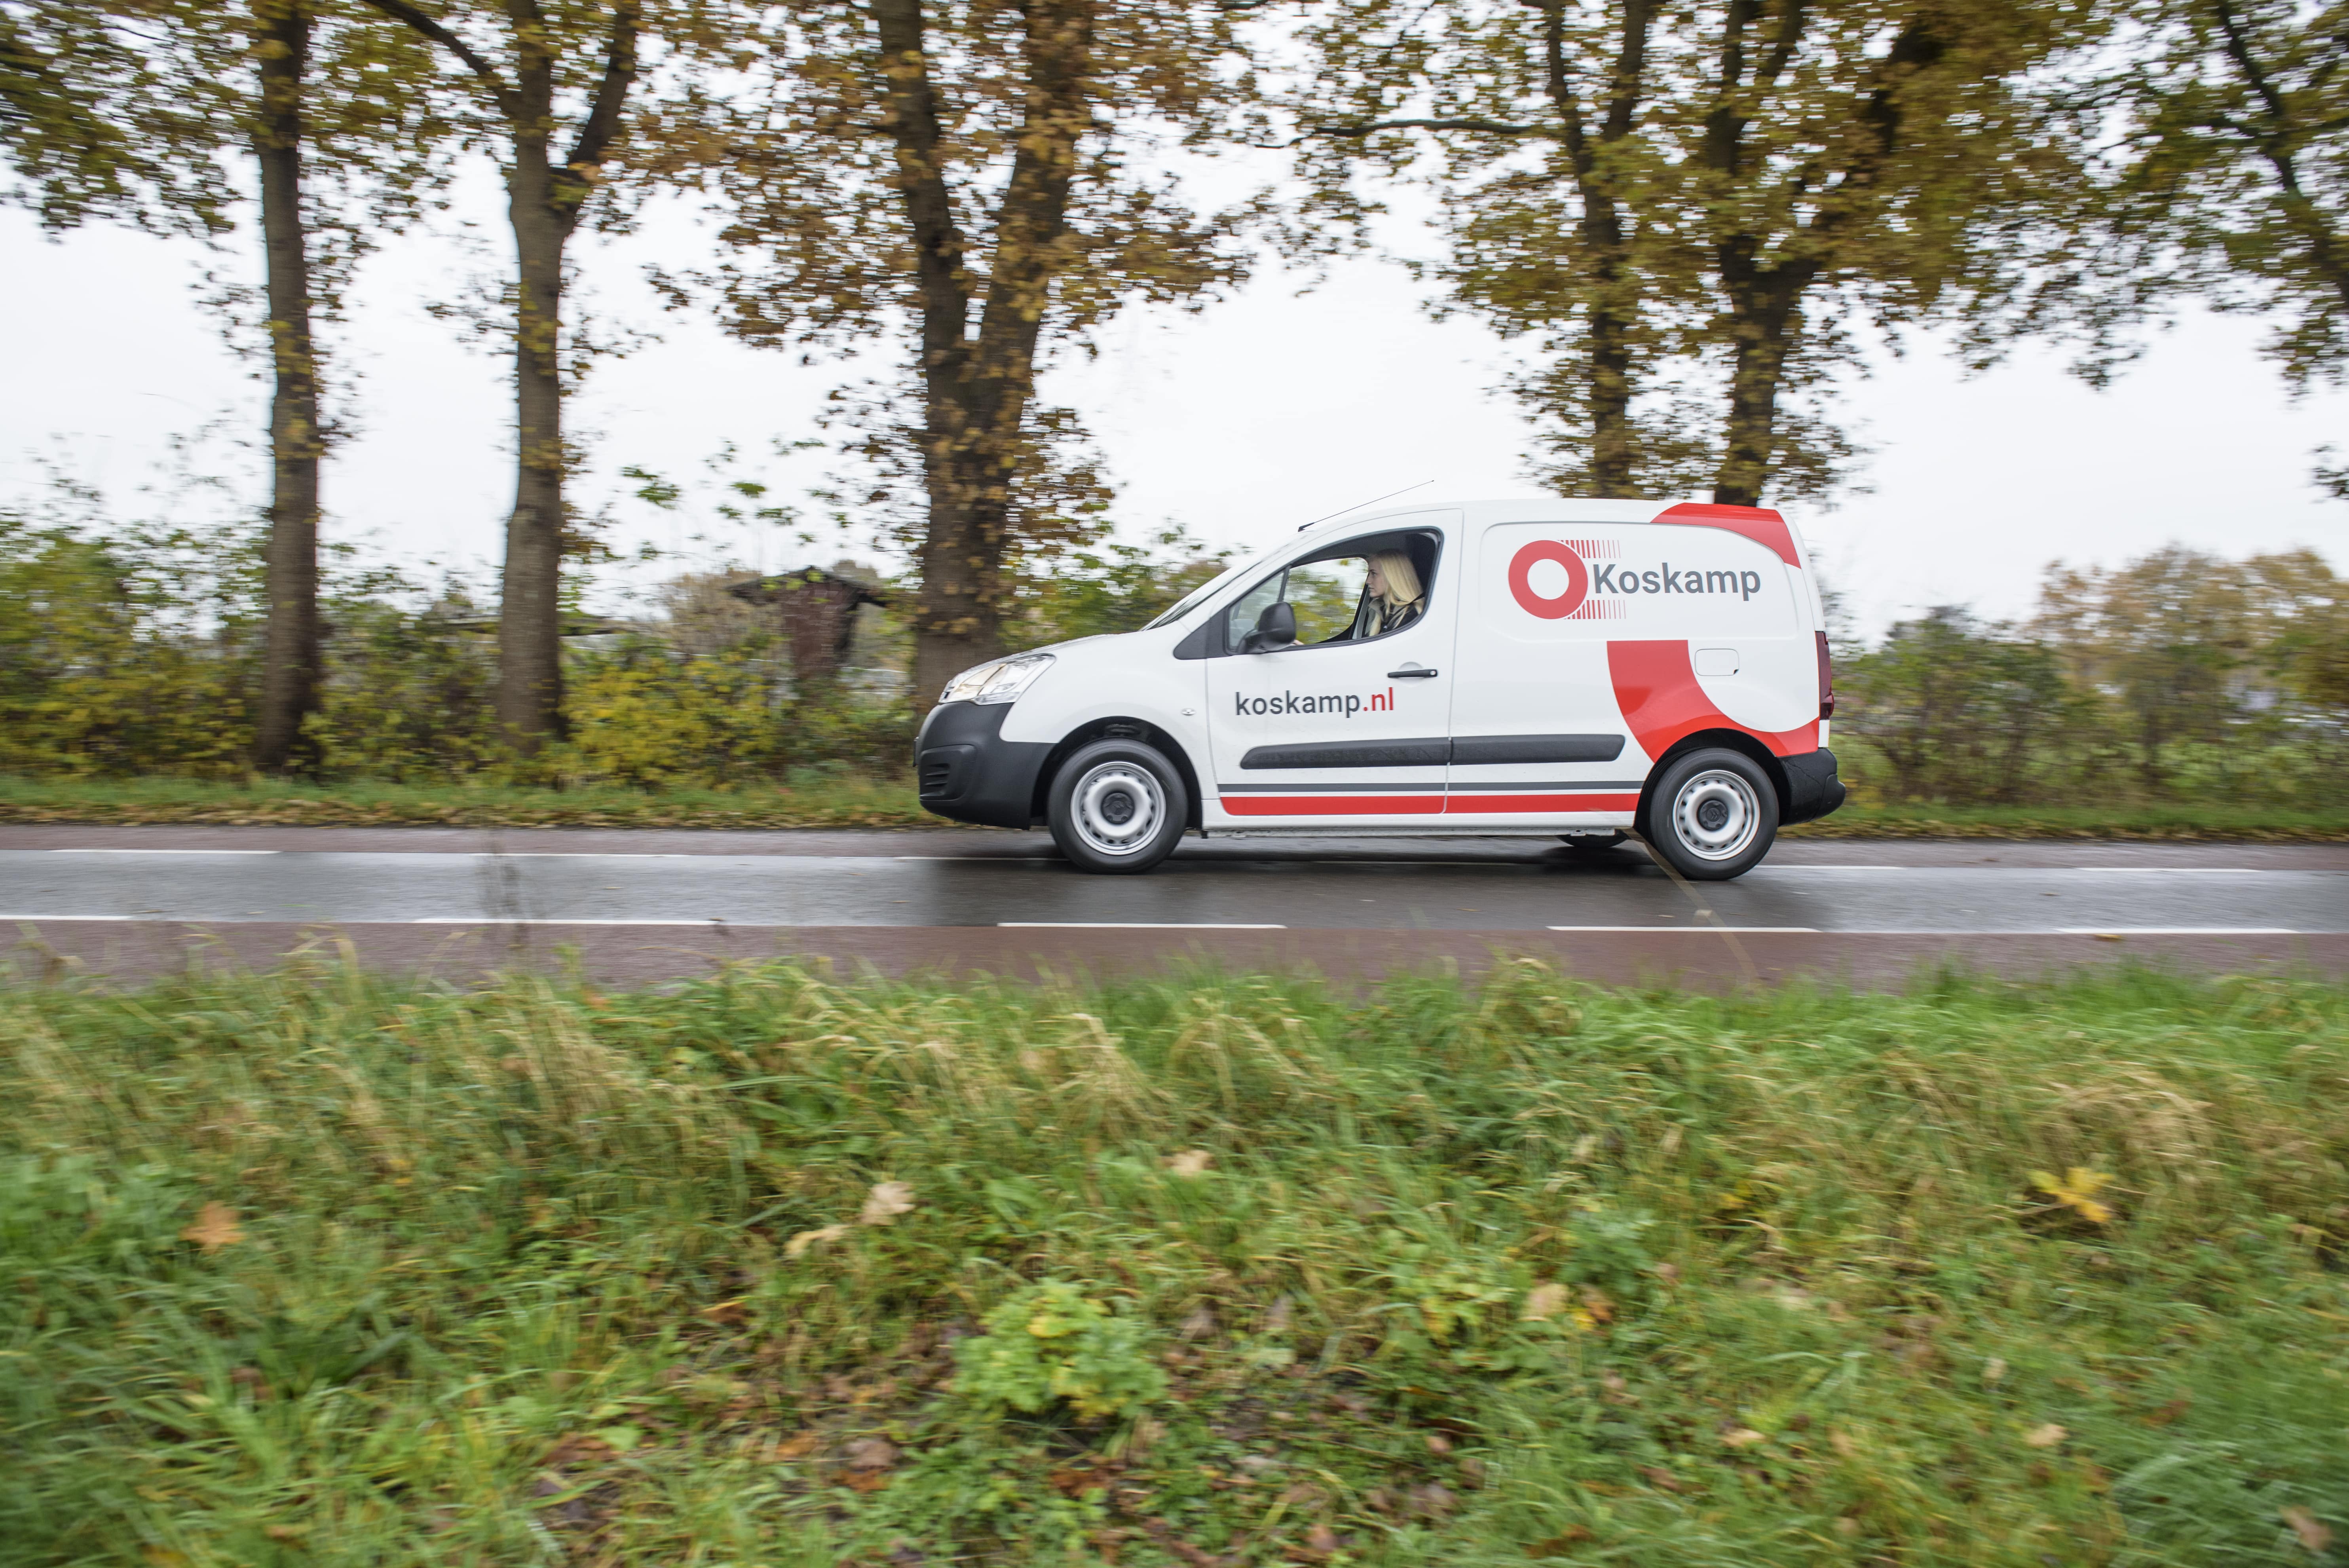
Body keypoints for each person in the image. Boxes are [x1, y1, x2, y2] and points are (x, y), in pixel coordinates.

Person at [1354, 550, 1425, 638]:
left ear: (1392, 576)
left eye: (1374, 574)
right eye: (1369, 574)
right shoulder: (1387, 614)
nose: (1368, 581)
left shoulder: (1410, 618)